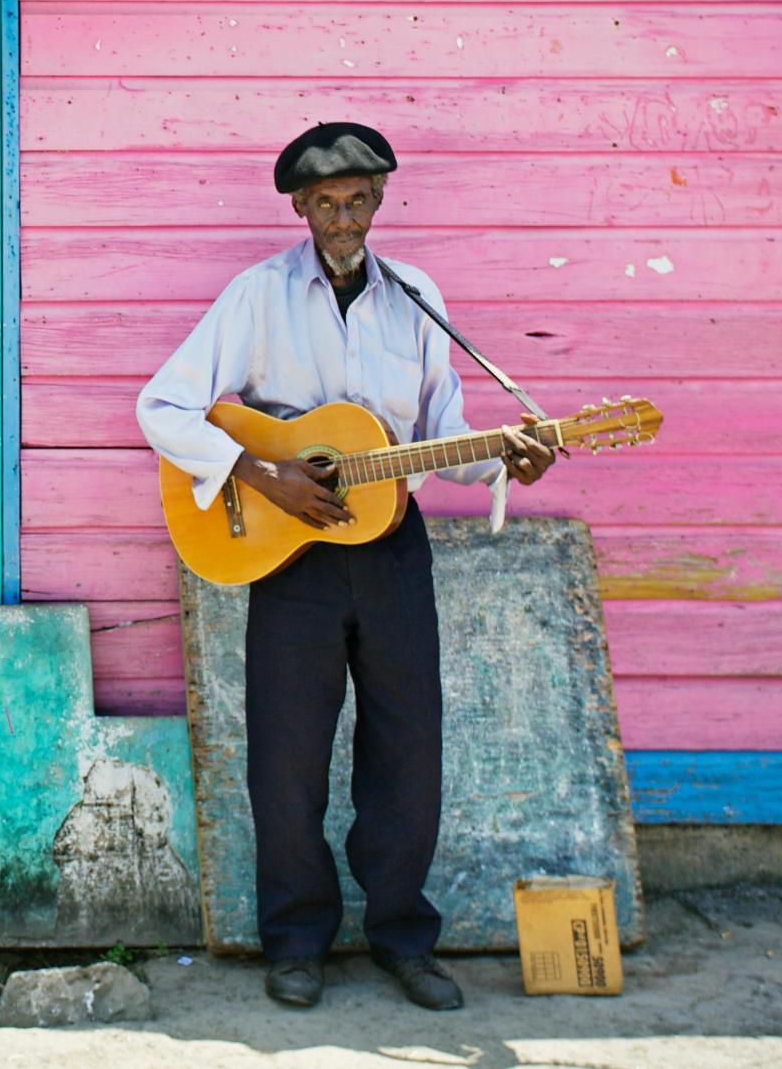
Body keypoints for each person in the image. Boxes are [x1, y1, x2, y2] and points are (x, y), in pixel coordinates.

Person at [135, 123, 555, 1012]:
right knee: (286, 756)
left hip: (393, 547)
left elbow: (443, 431)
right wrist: (260, 471)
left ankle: (404, 934)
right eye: (325, 202)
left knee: (409, 747)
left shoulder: (415, 295)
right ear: (299, 206)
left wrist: (503, 457)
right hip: (294, 559)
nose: (343, 216)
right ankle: (296, 938)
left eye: (359, 199)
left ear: (379, 201)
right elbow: (163, 404)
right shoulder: (256, 297)